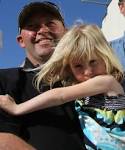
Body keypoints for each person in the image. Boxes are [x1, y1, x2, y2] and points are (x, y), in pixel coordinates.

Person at [0, 24, 125, 150]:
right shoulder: (83, 92)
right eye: (78, 66)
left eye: (93, 61)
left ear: (104, 56)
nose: (88, 71)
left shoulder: (107, 83)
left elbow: (59, 95)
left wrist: (17, 108)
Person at [0, 1, 85, 150]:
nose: (42, 30)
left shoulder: (93, 75)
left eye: (50, 23)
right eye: (32, 26)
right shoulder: (5, 80)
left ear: (66, 32)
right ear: (21, 40)